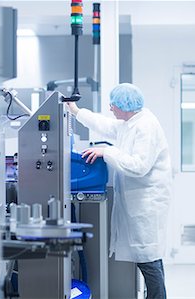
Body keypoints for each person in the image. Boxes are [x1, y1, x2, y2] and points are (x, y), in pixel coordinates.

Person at [66, 83, 172, 299]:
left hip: (147, 202)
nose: (110, 108)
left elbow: (139, 166)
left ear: (126, 105)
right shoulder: (132, 121)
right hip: (138, 201)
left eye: (113, 104)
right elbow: (106, 125)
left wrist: (106, 152)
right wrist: (77, 112)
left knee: (148, 260)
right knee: (149, 259)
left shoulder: (145, 127)